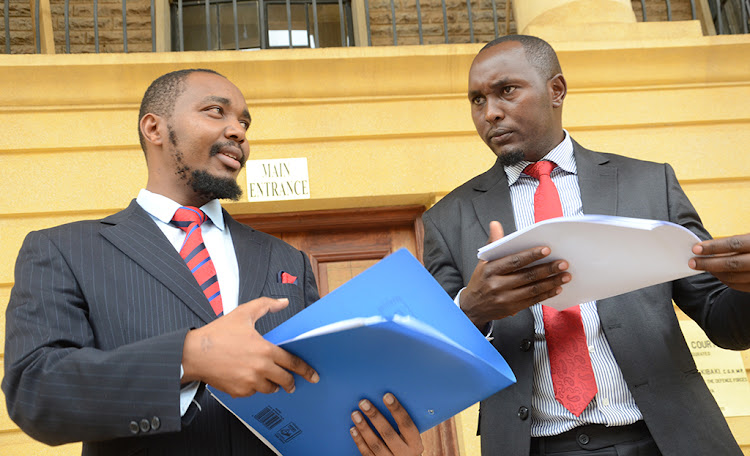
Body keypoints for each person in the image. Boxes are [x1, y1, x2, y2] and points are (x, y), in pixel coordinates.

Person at [3, 69, 423, 456]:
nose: (237, 131)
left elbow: (318, 392)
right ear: (155, 128)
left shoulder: (285, 259)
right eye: (216, 112)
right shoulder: (63, 249)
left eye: (245, 122)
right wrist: (189, 357)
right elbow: (36, 393)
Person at [422, 35, 750, 456]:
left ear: (555, 90)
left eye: (506, 91)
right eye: (476, 100)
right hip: (535, 447)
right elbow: (437, 369)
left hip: (667, 440)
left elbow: (726, 325)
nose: (491, 113)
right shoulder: (448, 220)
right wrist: (471, 309)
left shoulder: (649, 186)